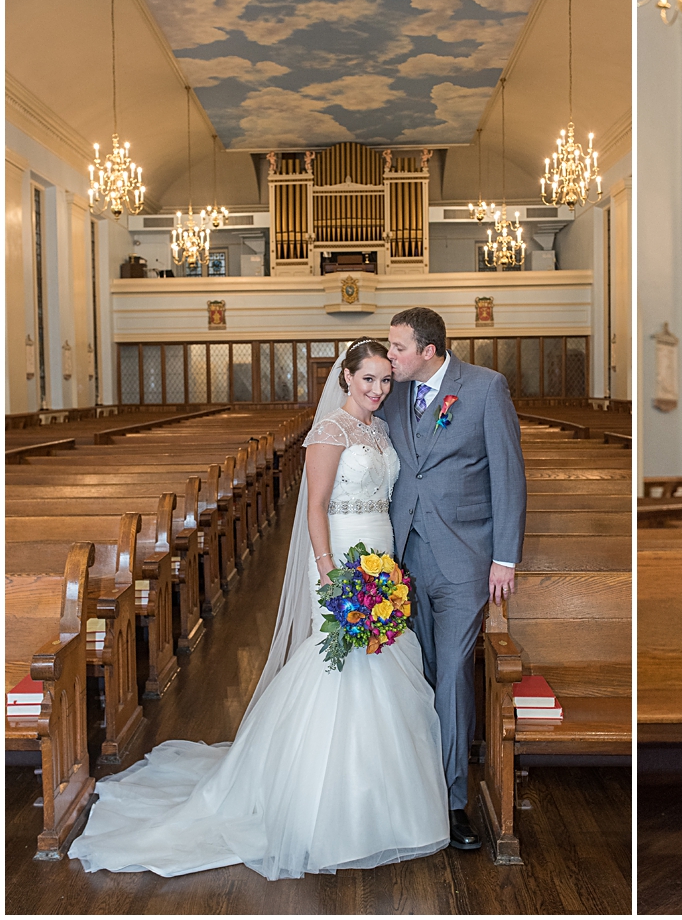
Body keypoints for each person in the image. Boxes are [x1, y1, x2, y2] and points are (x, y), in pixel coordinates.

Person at [69, 339, 449, 879]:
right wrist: (328, 571)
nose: (378, 389)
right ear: (345, 379)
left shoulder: (382, 431)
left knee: (387, 665)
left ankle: (382, 805)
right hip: (342, 561)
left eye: (386, 380)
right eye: (368, 379)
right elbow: (315, 507)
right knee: (339, 669)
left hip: (383, 559)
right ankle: (321, 805)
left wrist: (388, 570)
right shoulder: (328, 432)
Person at [378, 307, 528, 851]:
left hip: (465, 560)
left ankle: (452, 802)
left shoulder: (486, 389)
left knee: (453, 679)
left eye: (397, 347)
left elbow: (509, 474)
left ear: (429, 351)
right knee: (418, 672)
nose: (389, 355)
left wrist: (505, 558)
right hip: (401, 559)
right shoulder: (391, 394)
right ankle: (411, 787)